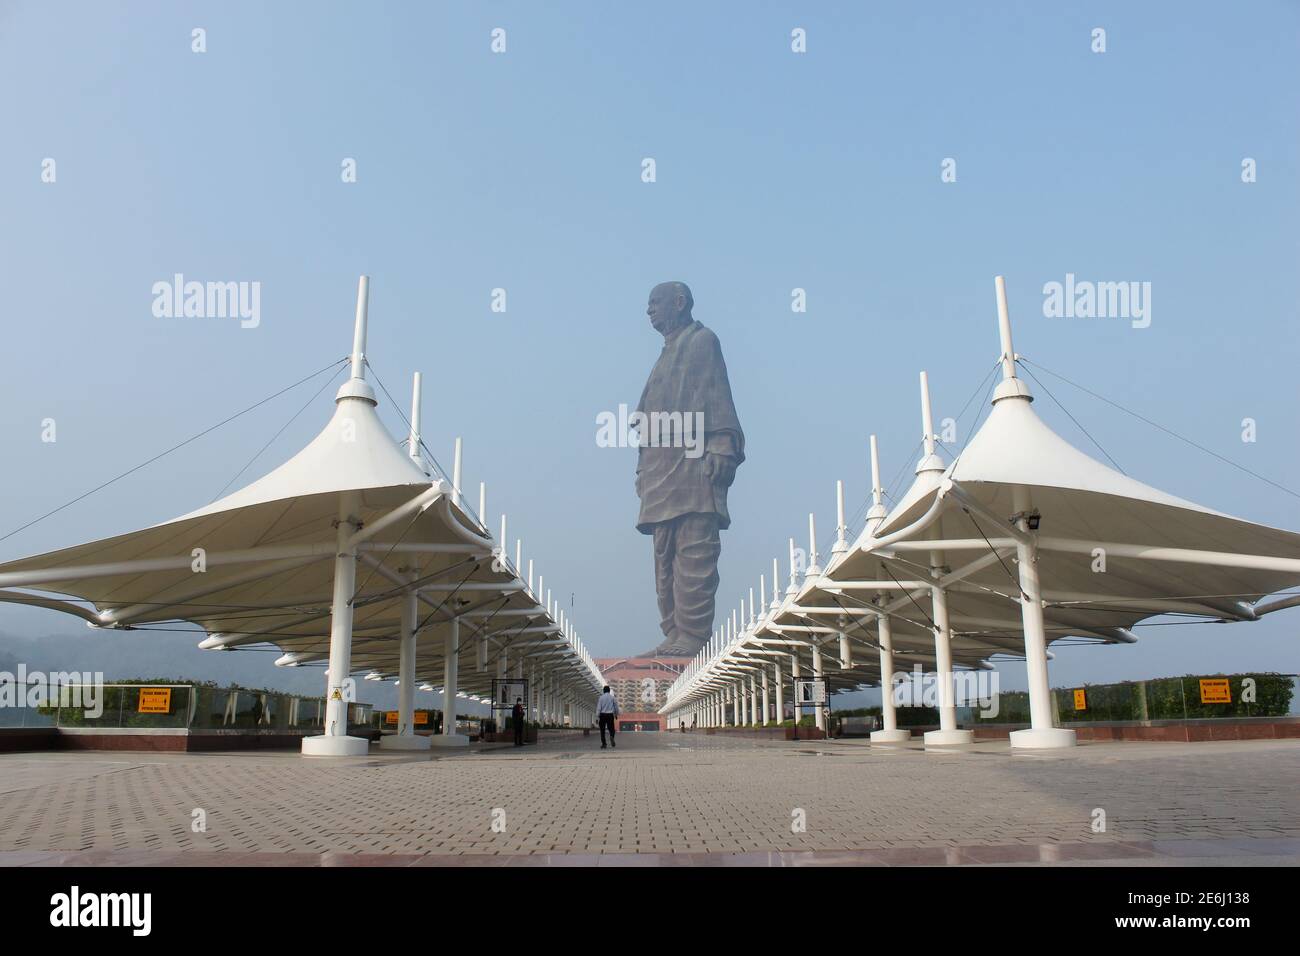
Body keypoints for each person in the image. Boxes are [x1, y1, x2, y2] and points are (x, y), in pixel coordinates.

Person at [633, 281, 745, 657]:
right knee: (663, 557)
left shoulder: (702, 341)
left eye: (655, 302)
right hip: (660, 470)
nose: (648, 310)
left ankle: (693, 636)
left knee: (695, 550)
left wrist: (722, 444)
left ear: (678, 303)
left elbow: (718, 395)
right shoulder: (664, 354)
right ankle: (673, 633)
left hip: (695, 465)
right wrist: (640, 470)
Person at [596, 685, 619, 749]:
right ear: (609, 691)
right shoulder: (612, 698)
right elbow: (616, 707)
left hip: (602, 715)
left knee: (602, 730)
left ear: (603, 691)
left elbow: (598, 708)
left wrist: (598, 716)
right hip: (610, 715)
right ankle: (611, 736)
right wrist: (616, 714)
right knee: (611, 729)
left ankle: (604, 744)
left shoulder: (601, 698)